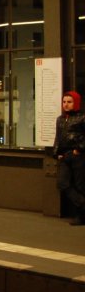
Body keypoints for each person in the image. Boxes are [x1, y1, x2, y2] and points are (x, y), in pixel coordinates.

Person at [54, 91, 85, 226]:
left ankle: (81, 216)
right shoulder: (60, 119)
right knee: (62, 183)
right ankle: (84, 205)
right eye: (64, 102)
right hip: (64, 155)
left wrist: (79, 149)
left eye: (69, 102)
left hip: (77, 155)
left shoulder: (82, 118)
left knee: (80, 185)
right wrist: (57, 153)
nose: (66, 104)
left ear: (76, 103)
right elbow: (58, 137)